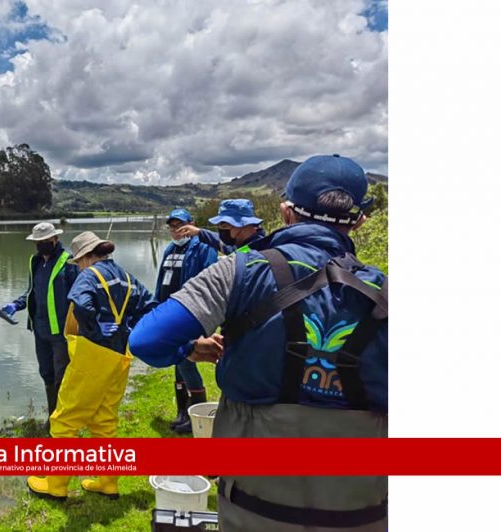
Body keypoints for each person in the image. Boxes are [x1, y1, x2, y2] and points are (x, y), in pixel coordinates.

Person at [129, 154, 388, 531]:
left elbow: (148, 339)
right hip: (360, 511)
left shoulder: (241, 270)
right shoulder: (386, 292)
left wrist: (189, 349)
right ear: (360, 221)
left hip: (254, 508)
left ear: (285, 213)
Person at [27, 231, 155, 501]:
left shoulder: (88, 274)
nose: (79, 265)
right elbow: (150, 305)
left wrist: (97, 329)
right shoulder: (127, 276)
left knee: (64, 419)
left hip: (93, 355)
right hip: (120, 356)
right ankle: (107, 482)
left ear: (85, 256)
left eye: (78, 261)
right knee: (104, 419)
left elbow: (81, 305)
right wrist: (124, 327)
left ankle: (56, 485)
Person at [1, 222, 79, 425]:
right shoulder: (35, 262)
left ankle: (64, 420)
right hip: (40, 330)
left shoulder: (68, 261)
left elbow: (80, 295)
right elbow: (32, 292)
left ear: (55, 239)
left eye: (46, 241)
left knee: (62, 376)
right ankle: (53, 416)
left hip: (62, 332)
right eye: (38, 242)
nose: (42, 244)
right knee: (47, 373)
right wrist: (16, 305)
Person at [156, 208, 219, 433]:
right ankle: (182, 412)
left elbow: (210, 279)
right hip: (169, 312)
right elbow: (161, 281)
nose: (176, 230)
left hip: (190, 313)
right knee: (177, 361)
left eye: (180, 224)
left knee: (186, 361)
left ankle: (196, 413)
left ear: (191, 224)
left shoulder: (204, 248)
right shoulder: (170, 249)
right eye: (172, 226)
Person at [178, 198, 268, 255]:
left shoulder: (257, 252)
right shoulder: (243, 246)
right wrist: (199, 232)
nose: (221, 230)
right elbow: (223, 245)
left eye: (224, 225)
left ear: (242, 225)